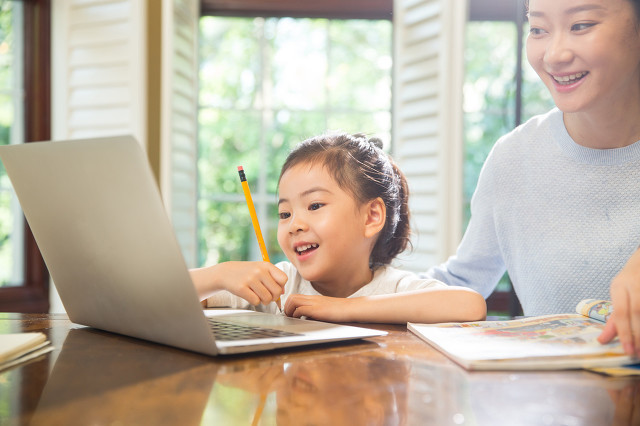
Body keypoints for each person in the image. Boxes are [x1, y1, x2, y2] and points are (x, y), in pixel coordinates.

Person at [421, 0, 640, 355]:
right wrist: (338, 287)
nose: (554, 55)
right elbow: (461, 283)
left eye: (581, 25)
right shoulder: (514, 157)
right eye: (538, 29)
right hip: (552, 404)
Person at [191, 133, 486, 324]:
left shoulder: (393, 287)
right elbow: (167, 296)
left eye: (315, 206)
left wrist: (341, 308)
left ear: (371, 217)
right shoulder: (278, 289)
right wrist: (218, 274)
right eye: (284, 213)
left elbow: (470, 305)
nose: (295, 225)